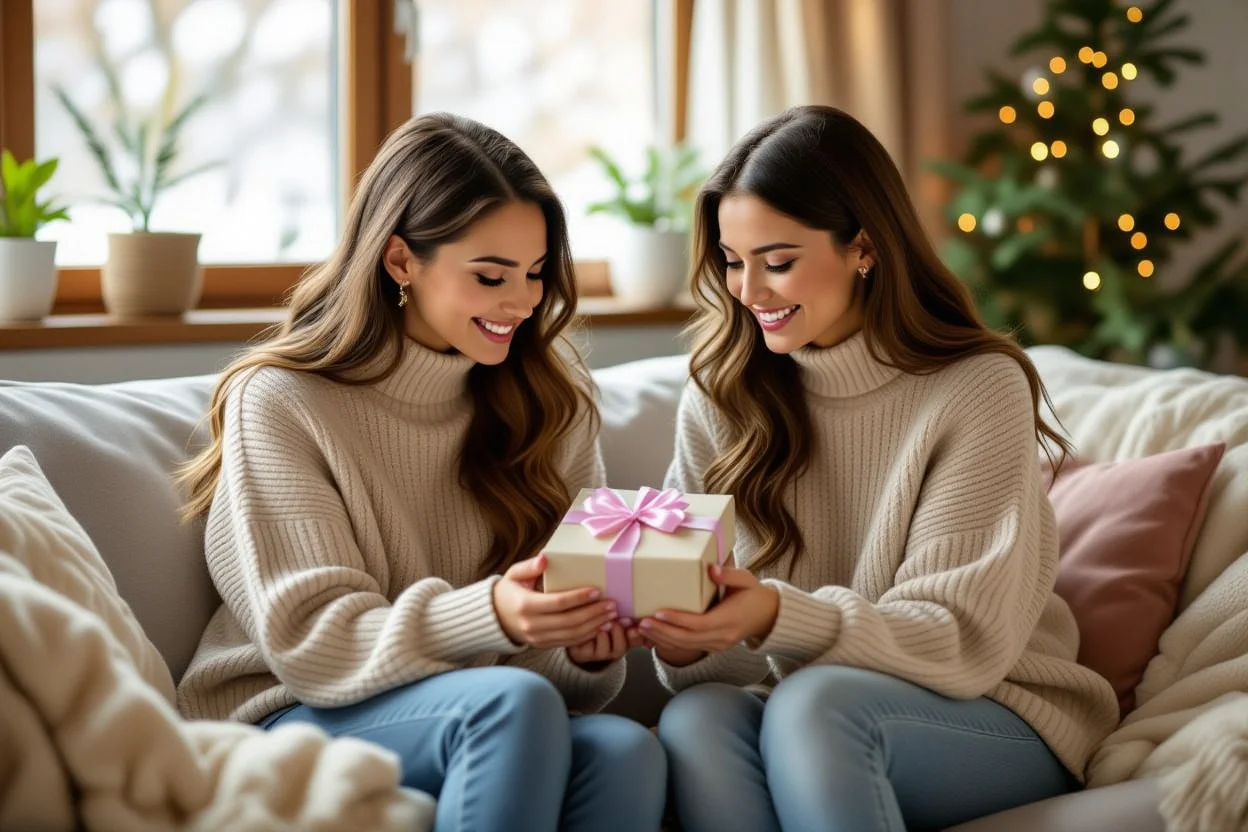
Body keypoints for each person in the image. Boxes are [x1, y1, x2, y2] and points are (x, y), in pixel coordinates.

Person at [175, 113, 666, 832]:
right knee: (512, 707)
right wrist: (492, 612)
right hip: (291, 710)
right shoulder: (283, 401)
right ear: (401, 261)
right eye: (491, 275)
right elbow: (313, 643)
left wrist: (580, 645)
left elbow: (549, 686)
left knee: (625, 749)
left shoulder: (549, 401)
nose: (523, 302)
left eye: (535, 274)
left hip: (477, 704)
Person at [639, 105, 1120, 832]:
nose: (748, 291)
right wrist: (686, 637)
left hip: (995, 709)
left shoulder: (976, 386)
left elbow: (960, 639)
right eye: (732, 262)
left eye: (777, 261)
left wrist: (773, 612)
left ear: (862, 247)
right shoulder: (721, 392)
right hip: (812, 703)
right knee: (698, 717)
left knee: (814, 705)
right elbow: (722, 671)